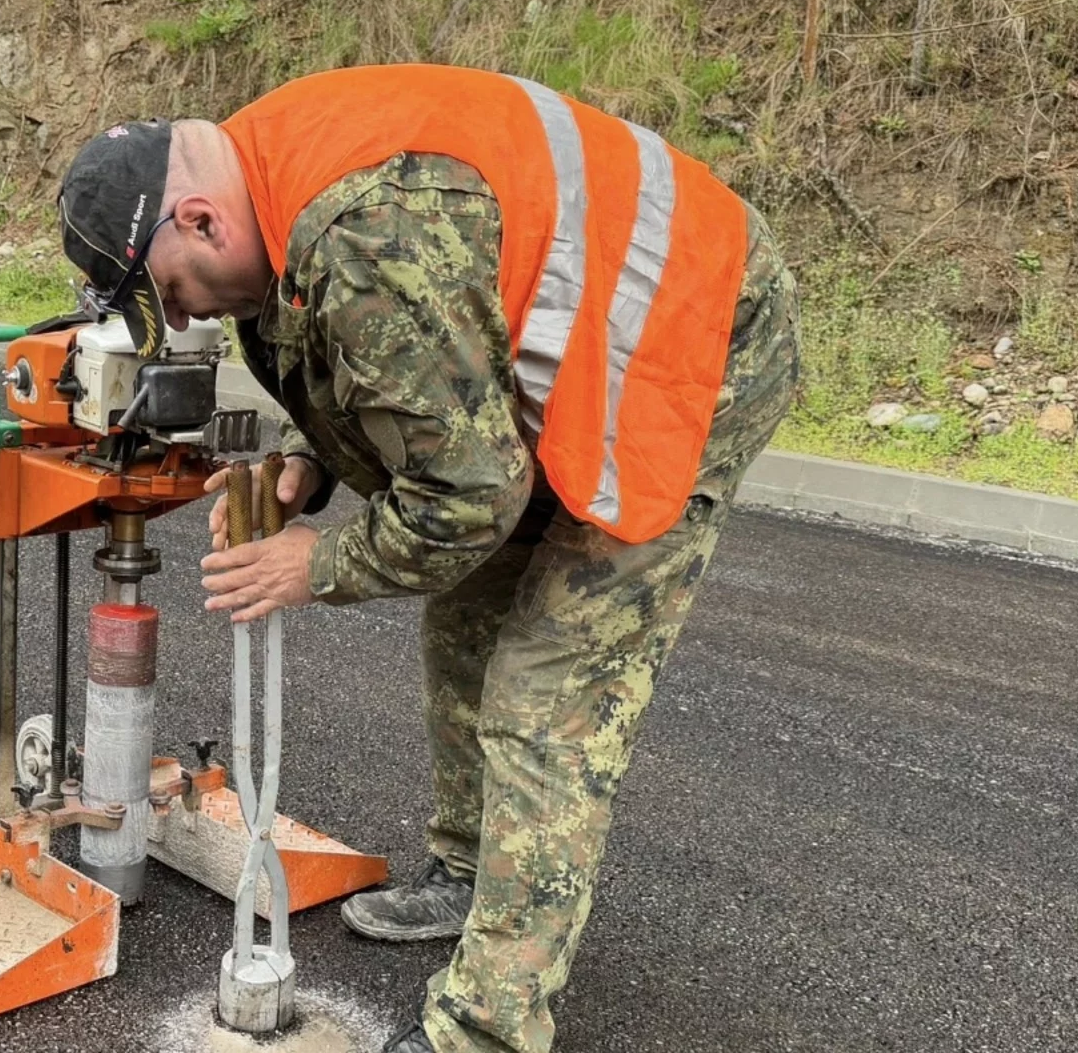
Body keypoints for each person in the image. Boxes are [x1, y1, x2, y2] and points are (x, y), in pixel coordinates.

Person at [54, 63, 799, 1053]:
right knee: (467, 614)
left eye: (177, 295)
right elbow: (400, 367)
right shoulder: (266, 179)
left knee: (545, 698)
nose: (186, 319)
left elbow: (468, 496)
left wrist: (311, 566)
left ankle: (486, 1028)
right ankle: (470, 871)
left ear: (198, 221)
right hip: (582, 342)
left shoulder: (363, 231)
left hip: (690, 343)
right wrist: (309, 467)